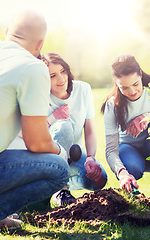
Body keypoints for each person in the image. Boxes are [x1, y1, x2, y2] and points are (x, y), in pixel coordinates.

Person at [0, 1, 69, 236]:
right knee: (58, 169)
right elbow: (36, 142)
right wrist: (60, 151)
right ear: (40, 45)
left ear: (6, 33)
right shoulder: (32, 67)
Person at [101, 55, 150, 203]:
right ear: (116, 83)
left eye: (135, 84)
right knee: (131, 167)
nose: (132, 91)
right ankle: (133, 193)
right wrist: (122, 173)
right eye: (124, 88)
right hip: (130, 151)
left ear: (140, 74)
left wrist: (149, 117)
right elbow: (111, 150)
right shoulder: (112, 105)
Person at [41, 53, 107, 205]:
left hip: (74, 154)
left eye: (63, 71)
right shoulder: (41, 96)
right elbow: (32, 132)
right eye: (53, 75)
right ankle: (61, 189)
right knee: (64, 126)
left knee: (100, 180)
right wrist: (54, 117)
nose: (61, 78)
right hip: (50, 156)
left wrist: (91, 157)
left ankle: (56, 183)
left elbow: (89, 129)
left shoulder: (83, 89)